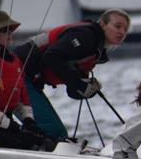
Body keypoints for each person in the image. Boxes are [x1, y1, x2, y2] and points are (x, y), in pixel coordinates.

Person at [14, 8, 131, 139]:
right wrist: (79, 84)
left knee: (54, 132)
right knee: (53, 131)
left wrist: (88, 89)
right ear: (103, 24)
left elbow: (72, 90)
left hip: (28, 79)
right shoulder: (86, 36)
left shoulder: (94, 51)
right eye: (117, 26)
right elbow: (51, 56)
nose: (122, 32)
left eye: (125, 29)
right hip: (16, 74)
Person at [0, 10, 51, 150]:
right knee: (28, 143)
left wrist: (28, 121)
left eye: (11, 30)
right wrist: (14, 127)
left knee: (43, 140)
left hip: (2, 123)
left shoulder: (14, 61)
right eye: (5, 30)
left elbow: (21, 97)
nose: (10, 34)